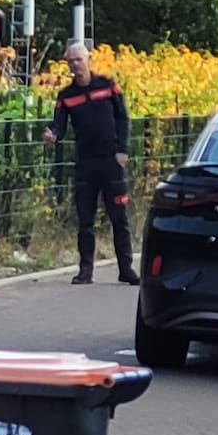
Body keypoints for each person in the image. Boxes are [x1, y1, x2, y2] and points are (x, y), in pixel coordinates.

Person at [43, 41, 140, 286]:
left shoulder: (108, 86)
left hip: (112, 162)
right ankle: (85, 271)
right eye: (71, 61)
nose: (75, 65)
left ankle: (126, 269)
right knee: (85, 219)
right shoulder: (66, 96)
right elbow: (59, 126)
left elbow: (123, 119)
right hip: (86, 164)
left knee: (119, 217)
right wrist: (53, 135)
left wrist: (123, 150)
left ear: (88, 59)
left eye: (79, 59)